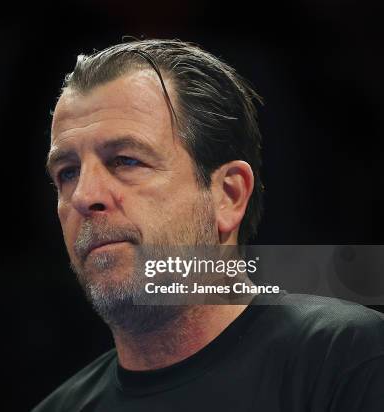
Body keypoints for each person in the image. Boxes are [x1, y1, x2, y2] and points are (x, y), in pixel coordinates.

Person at [33, 39, 384, 411]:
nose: (84, 195)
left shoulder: (345, 360)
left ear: (228, 195)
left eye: (125, 160)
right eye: (67, 172)